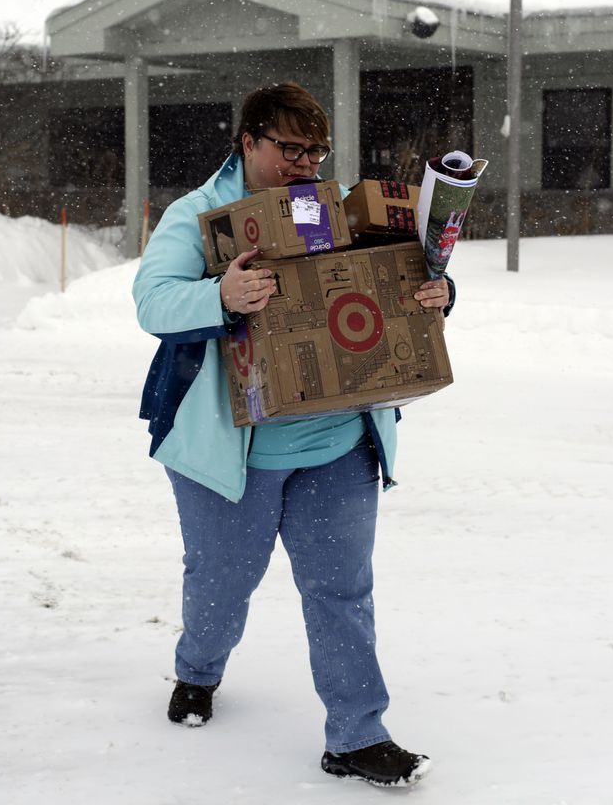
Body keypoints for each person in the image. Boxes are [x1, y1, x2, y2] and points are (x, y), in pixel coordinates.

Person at [132, 82, 454, 787]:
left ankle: (357, 736)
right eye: (289, 148)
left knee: (342, 591)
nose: (304, 162)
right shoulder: (198, 217)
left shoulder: (336, 212)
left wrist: (437, 293)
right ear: (248, 143)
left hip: (338, 445)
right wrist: (219, 296)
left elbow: (394, 282)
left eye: (315, 150)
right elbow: (151, 301)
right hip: (231, 455)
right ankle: (199, 670)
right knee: (222, 584)